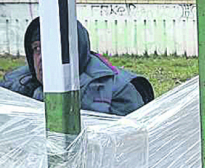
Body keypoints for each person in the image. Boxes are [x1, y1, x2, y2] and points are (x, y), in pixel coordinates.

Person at [0, 17, 154, 116]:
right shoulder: (15, 87)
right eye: (37, 48)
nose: (43, 58)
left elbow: (130, 150)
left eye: (54, 47)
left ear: (74, 50)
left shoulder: (117, 90)